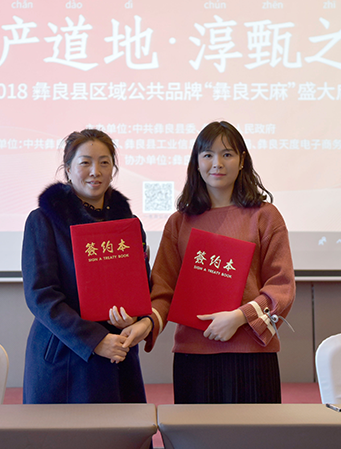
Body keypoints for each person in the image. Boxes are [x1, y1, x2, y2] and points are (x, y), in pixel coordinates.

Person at [122, 120, 295, 404]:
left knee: (256, 431)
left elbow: (282, 286)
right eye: (208, 155)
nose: (218, 163)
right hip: (193, 357)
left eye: (227, 154)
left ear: (242, 161)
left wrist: (238, 317)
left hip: (251, 354)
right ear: (197, 162)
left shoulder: (265, 216)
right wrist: (146, 324)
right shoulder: (179, 222)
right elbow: (163, 290)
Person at [22, 129, 151, 404]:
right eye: (85, 163)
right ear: (68, 169)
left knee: (122, 428)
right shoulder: (43, 221)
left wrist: (134, 318)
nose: (96, 171)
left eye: (104, 162)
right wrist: (95, 340)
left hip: (118, 354)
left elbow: (142, 285)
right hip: (66, 356)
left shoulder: (129, 225)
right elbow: (41, 296)